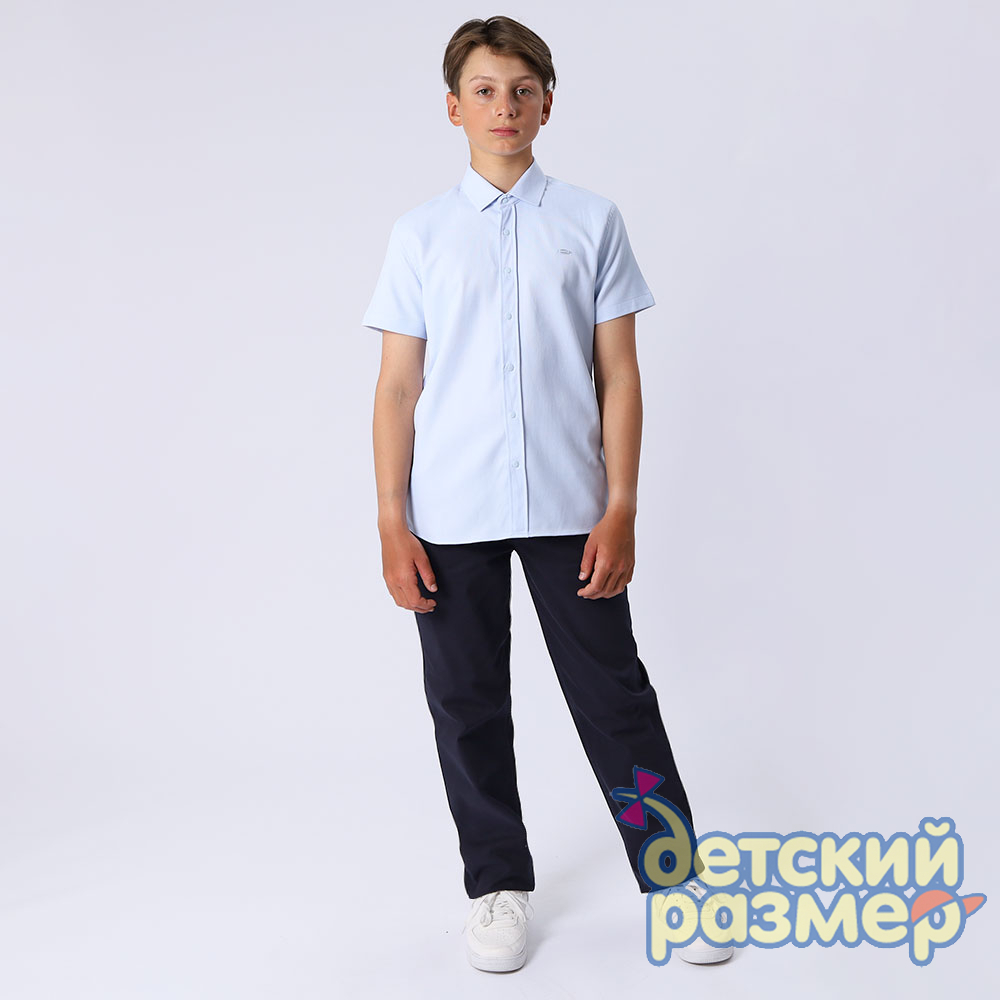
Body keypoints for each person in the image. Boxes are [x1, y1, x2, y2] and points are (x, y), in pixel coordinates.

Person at [362, 15, 733, 972]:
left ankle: (674, 878)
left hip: (573, 507)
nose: (504, 107)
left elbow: (620, 374)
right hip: (451, 514)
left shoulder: (591, 223)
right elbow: (398, 388)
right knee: (467, 704)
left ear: (547, 105)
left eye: (522, 90)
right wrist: (393, 520)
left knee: (616, 697)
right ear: (454, 108)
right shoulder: (420, 235)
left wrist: (622, 505)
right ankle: (496, 885)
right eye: (484, 91)